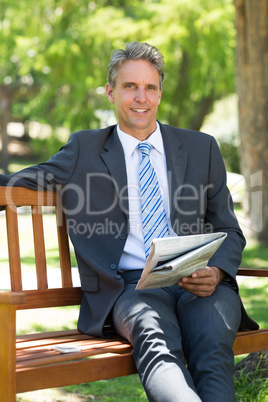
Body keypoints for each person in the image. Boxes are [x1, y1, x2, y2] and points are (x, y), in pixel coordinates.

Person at [0, 42, 258, 402]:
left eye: (150, 87)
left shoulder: (201, 148)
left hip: (199, 279)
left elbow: (229, 229)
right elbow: (16, 184)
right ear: (110, 92)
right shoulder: (85, 149)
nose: (141, 97)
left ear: (160, 94)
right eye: (129, 86)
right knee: (157, 345)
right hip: (130, 288)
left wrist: (215, 271)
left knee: (212, 348)